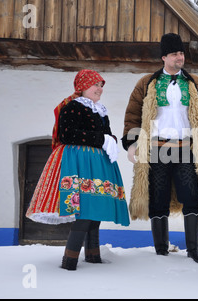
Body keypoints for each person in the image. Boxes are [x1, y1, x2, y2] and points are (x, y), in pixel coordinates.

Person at [122, 33, 198, 263]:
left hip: (186, 148)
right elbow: (133, 114)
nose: (180, 57)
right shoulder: (147, 83)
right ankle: (161, 250)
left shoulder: (196, 82)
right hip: (157, 149)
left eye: (182, 53)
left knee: (192, 195)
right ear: (164, 57)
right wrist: (131, 143)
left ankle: (193, 250)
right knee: (158, 197)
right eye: (175, 53)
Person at [26, 69, 130, 270]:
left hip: (99, 164)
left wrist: (111, 140)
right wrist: (100, 139)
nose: (100, 89)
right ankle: (69, 260)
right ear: (82, 86)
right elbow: (67, 135)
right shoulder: (72, 107)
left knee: (95, 210)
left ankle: (93, 256)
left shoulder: (101, 111)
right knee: (84, 211)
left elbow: (106, 134)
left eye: (101, 85)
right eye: (96, 85)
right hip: (78, 162)